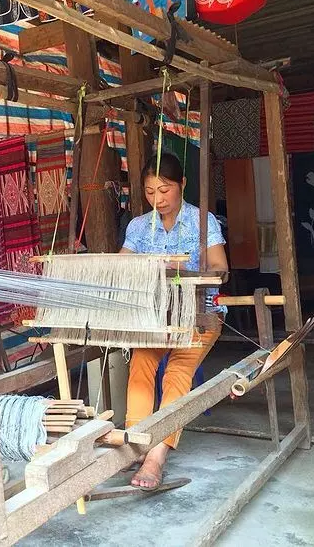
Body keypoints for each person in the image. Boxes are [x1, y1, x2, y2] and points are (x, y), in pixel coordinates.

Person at [120, 151, 228, 490]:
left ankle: (156, 456)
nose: (158, 199)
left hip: (200, 315)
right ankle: (137, 441)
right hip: (156, 317)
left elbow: (221, 269)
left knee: (178, 371)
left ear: (181, 184)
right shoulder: (139, 227)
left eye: (165, 190)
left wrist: (177, 268)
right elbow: (121, 266)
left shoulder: (203, 222)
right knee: (140, 362)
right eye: (150, 192)